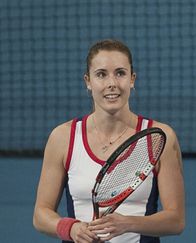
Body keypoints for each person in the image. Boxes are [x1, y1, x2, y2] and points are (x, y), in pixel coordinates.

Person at [33, 39, 185, 243]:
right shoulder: (63, 138)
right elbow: (40, 215)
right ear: (88, 81)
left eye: (120, 73)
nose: (112, 83)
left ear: (132, 79)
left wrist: (128, 223)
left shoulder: (158, 137)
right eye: (101, 74)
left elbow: (176, 220)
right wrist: (71, 229)